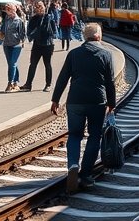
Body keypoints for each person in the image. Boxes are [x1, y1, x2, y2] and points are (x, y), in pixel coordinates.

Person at [50, 22, 116, 193]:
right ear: (99, 37)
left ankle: (73, 164)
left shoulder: (74, 54)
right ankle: (86, 175)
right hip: (97, 101)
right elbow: (110, 82)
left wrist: (55, 99)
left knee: (74, 135)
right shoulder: (106, 55)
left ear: (84, 37)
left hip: (75, 101)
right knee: (95, 136)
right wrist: (112, 104)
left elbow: (63, 78)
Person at [22, 2, 57, 91]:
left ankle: (48, 85)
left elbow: (54, 31)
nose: (39, 9)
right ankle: (28, 84)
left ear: (44, 8)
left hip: (48, 44)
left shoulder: (49, 17)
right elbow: (30, 31)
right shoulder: (34, 19)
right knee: (32, 64)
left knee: (47, 64)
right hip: (37, 44)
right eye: (37, 7)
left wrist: (47, 28)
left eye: (40, 7)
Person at [0, 2, 26, 92]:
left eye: (9, 10)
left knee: (12, 63)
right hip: (6, 44)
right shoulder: (6, 20)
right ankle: (15, 82)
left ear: (13, 10)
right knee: (12, 64)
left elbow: (23, 33)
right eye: (6, 10)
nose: (7, 11)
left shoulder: (19, 21)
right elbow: (2, 30)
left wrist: (22, 41)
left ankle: (10, 83)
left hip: (16, 45)